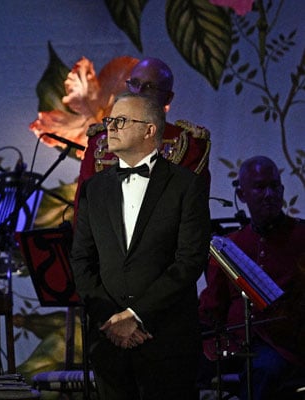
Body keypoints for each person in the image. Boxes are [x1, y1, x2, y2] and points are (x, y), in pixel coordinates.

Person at [70, 92, 211, 399]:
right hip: (108, 343)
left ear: (149, 130)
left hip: (166, 340)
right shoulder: (94, 188)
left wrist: (136, 315)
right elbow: (81, 259)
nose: (111, 127)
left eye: (121, 120)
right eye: (110, 120)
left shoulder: (187, 185)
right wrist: (111, 319)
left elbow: (190, 260)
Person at [199, 156, 305, 399]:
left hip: (285, 345)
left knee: (262, 368)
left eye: (274, 186)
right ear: (243, 194)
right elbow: (212, 306)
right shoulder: (230, 245)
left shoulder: (301, 236)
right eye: (259, 187)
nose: (269, 194)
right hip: (233, 342)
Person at [73, 57, 211, 213]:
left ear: (168, 98)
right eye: (135, 84)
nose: (139, 92)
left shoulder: (188, 145)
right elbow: (82, 210)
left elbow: (191, 216)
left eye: (150, 87)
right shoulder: (100, 141)